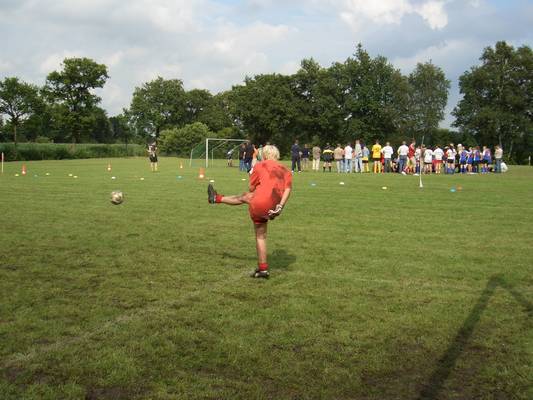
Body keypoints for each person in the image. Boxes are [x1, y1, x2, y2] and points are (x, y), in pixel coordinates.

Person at [208, 145, 292, 279]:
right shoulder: (286, 170)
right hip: (275, 204)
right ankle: (216, 198)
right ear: (277, 155)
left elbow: (251, 187)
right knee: (246, 197)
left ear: (264, 155)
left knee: (260, 235)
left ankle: (263, 269)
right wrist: (280, 206)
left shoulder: (260, 166)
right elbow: (287, 190)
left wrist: (254, 177)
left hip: (260, 203)